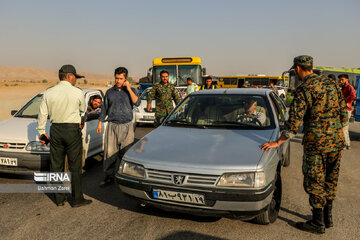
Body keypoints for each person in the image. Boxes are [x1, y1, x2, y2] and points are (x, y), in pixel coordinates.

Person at [261, 56, 348, 234]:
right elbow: (343, 113)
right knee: (330, 179)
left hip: (316, 142)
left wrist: (278, 141)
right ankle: (327, 218)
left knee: (315, 180)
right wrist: (339, 133)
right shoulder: (331, 84)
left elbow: (294, 121)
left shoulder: (305, 88)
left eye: (295, 70)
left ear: (299, 68)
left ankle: (317, 223)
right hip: (336, 142)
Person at [37, 64, 92, 207]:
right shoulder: (77, 92)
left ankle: (60, 199)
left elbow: (42, 114)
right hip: (72, 130)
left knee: (56, 166)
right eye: (75, 78)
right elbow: (82, 110)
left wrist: (41, 133)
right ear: (70, 76)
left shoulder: (48, 92)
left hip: (55, 130)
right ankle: (77, 199)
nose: (76, 81)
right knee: (75, 166)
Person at [97, 67, 140, 187]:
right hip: (112, 126)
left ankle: (125, 177)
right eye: (116, 78)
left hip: (127, 126)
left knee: (126, 153)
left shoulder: (132, 91)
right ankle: (108, 177)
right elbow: (104, 108)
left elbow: (137, 102)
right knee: (110, 153)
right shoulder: (110, 92)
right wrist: (100, 122)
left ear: (125, 79)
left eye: (121, 79)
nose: (118, 81)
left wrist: (128, 88)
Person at [338, 74, 356, 150]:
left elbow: (353, 95)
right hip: (343, 109)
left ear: (347, 79)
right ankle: (346, 143)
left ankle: (345, 144)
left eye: (342, 80)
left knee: (343, 127)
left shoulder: (349, 87)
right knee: (345, 126)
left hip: (346, 110)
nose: (341, 81)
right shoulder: (343, 88)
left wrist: (347, 102)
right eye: (340, 80)